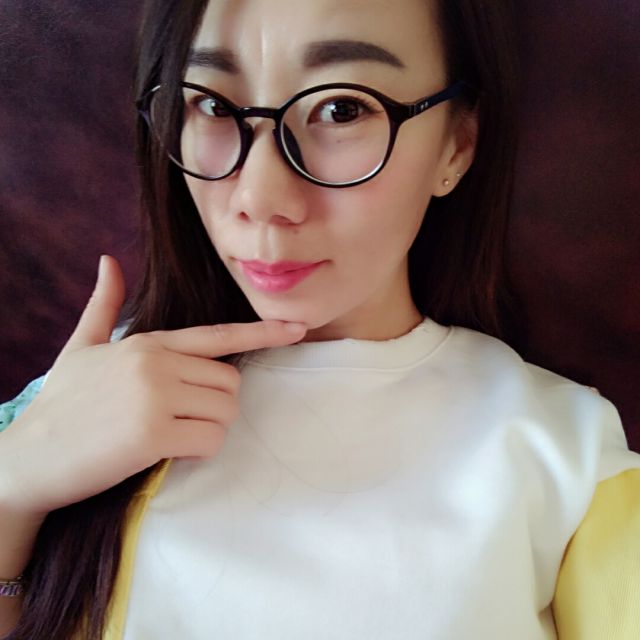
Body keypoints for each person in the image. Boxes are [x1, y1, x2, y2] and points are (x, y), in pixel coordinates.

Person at [1, 0, 638, 638]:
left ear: (457, 144)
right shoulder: (76, 400)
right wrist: (13, 485)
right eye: (213, 106)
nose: (259, 197)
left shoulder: (569, 454)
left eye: (342, 109)